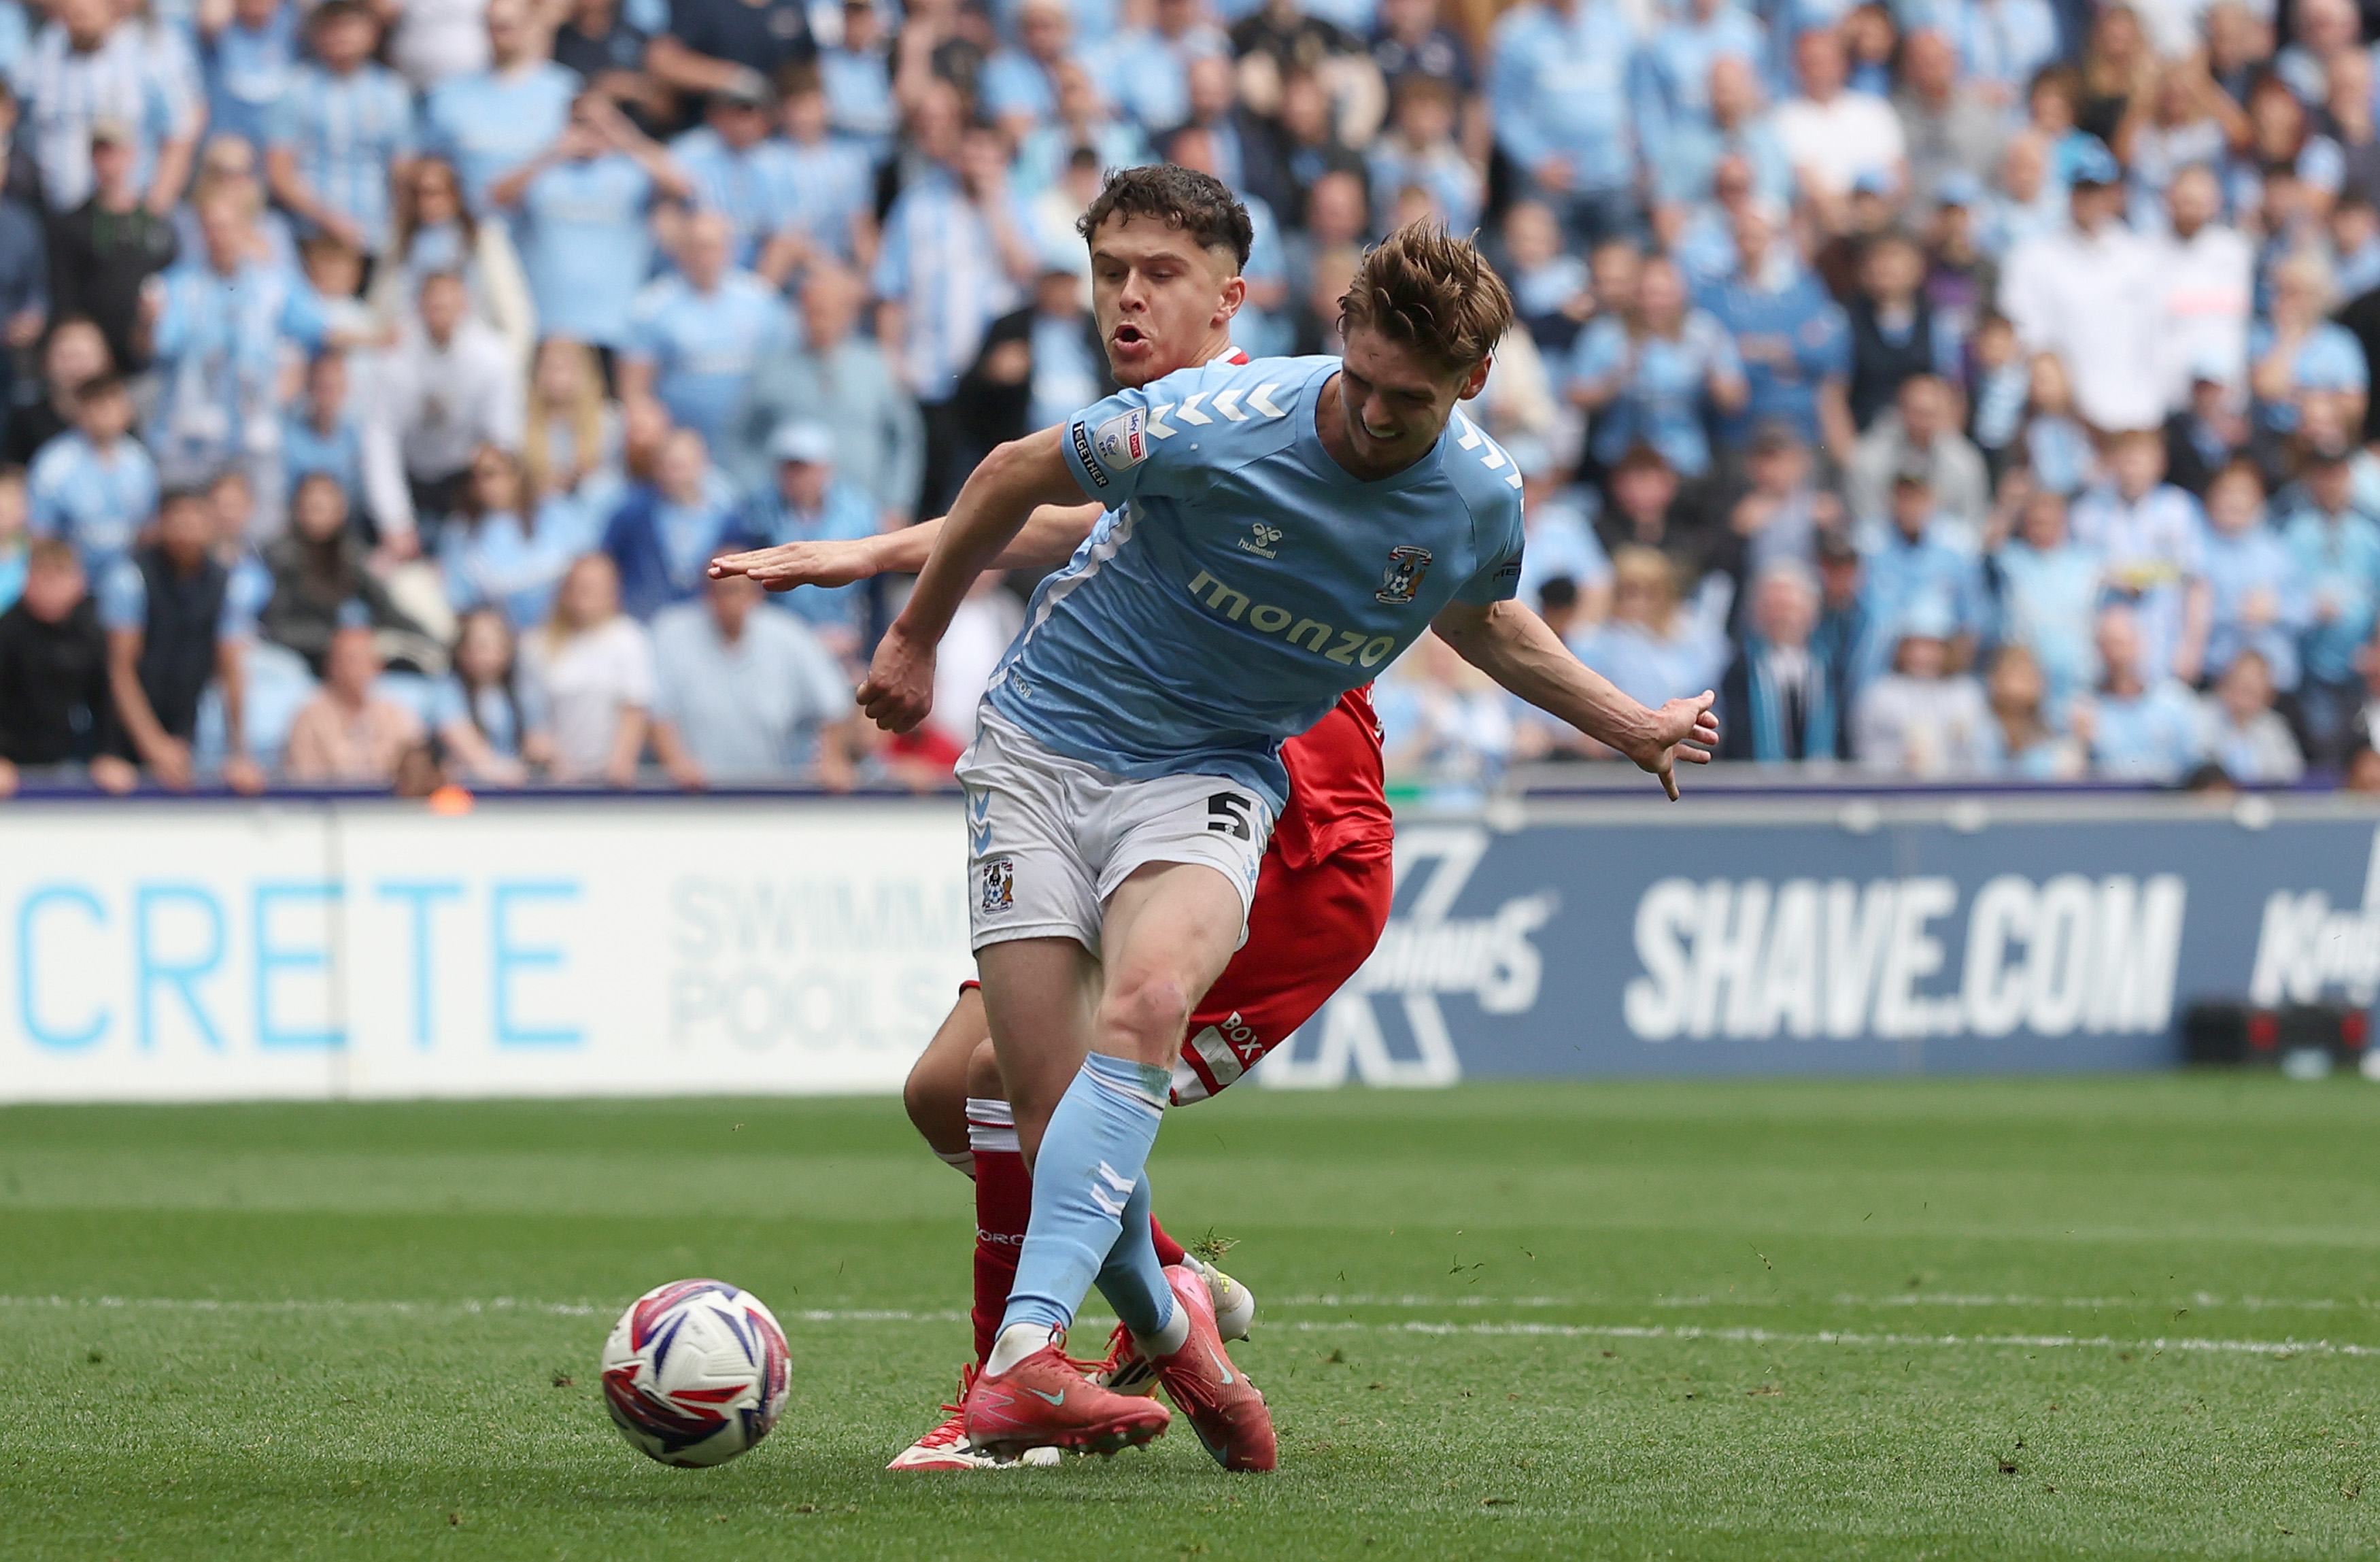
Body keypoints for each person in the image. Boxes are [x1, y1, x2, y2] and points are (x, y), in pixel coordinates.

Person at [851, 217, 1716, 1465]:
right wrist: (913, 637)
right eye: (1358, 378)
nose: (1369, 415)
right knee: (1038, 1110)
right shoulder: (1215, 416)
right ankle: (1174, 1324)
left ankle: (1021, 1360)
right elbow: (1007, 480)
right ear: (1339, 336)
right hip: (1043, 748)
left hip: (1210, 771)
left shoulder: (1480, 494)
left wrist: (1629, 722)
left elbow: (1485, 624)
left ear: (1472, 384)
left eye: (1406, 401)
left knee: (1142, 1007)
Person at [724, 260, 923, 522]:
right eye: (811, 312)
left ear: (849, 315)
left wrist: (897, 503)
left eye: (827, 313)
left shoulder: (877, 368)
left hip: (866, 519)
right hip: (788, 520)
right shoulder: (772, 369)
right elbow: (739, 437)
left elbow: (905, 440)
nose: (819, 322)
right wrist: (755, 497)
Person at [97, 486, 263, 792]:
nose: (186, 530)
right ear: (160, 524)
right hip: (119, 739)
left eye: (195, 519)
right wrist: (153, 744)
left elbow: (231, 670)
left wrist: (240, 753)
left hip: (182, 732)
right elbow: (120, 670)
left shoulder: (225, 583)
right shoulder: (129, 578)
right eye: (177, 519)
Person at [649, 557, 857, 788]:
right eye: (718, 590)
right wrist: (676, 762)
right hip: (695, 796)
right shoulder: (672, 633)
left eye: (734, 590)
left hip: (771, 797)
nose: (727, 601)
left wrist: (832, 758)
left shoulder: (789, 635)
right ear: (705, 595)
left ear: (756, 595)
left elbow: (835, 704)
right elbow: (657, 710)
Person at [362, 270, 524, 551]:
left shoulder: (493, 357)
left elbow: (502, 438)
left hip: (464, 475)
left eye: (449, 304)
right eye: (434, 305)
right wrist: (395, 521)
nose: (441, 314)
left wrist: (492, 500)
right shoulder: (394, 355)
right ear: (418, 307)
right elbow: (380, 438)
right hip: (408, 469)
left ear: (466, 306)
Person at [620, 210, 793, 449]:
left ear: (729, 250)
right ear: (682, 251)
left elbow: (787, 369)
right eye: (696, 247)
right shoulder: (653, 306)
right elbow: (635, 391)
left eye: (712, 247)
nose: (704, 257)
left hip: (750, 442)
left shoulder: (760, 301)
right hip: (678, 448)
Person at [1568, 252, 1747, 481]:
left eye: (1663, 295)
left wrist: (1714, 378)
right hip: (1620, 460)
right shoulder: (1606, 334)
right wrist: (1614, 381)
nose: (1654, 303)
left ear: (1681, 295)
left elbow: (1735, 400)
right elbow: (1575, 396)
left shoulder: (1704, 333)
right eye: (1646, 294)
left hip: (1684, 459)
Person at [263, 0, 417, 258]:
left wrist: (400, 231)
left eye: (350, 26)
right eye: (332, 28)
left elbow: (402, 170)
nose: (341, 36)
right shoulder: (295, 90)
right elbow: (280, 170)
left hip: (376, 235)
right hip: (310, 236)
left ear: (372, 33)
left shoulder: (392, 92)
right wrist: (328, 220)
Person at [0, 537, 139, 796]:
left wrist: (108, 754)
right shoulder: (8, 631)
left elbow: (105, 699)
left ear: (80, 581)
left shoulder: (91, 632)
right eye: (43, 576)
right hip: (11, 759)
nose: (51, 588)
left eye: (61, 576)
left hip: (66, 756)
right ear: (27, 581)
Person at [421, 0, 579, 212]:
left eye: (509, 25)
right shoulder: (448, 95)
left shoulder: (566, 91)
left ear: (531, 25)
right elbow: (427, 167)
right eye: (494, 26)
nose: (501, 35)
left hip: (544, 227)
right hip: (472, 228)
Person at [47, 120, 171, 377]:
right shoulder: (73, 226)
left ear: (132, 155)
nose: (109, 162)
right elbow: (65, 299)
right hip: (95, 366)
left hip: (147, 359)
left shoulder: (154, 224)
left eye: (116, 152)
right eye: (100, 153)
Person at [519, 551, 653, 785]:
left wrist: (620, 764)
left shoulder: (628, 638)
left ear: (611, 592)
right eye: (577, 586)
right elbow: (534, 717)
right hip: (557, 776)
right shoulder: (536, 645)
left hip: (612, 777)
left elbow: (634, 706)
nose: (582, 595)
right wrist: (552, 760)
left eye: (592, 587)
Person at [745, 422, 874, 659]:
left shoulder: (858, 514)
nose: (795, 477)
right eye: (788, 468)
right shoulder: (757, 514)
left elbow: (874, 591)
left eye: (803, 468)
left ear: (825, 469)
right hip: (778, 641)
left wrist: (865, 646)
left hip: (843, 638)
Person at [441, 444, 596, 630]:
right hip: (506, 641)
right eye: (475, 477)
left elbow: (590, 568)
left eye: (491, 474)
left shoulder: (556, 513)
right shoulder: (461, 533)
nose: (483, 484)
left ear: (516, 474)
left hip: (569, 629)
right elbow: (461, 604)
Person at [601, 426, 742, 621]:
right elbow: (608, 562)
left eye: (682, 466)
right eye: (668, 466)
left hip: (707, 622)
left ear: (704, 464)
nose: (675, 475)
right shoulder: (632, 515)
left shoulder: (730, 522)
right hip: (643, 618)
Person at [27, 371, 156, 575]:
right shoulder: (53, 464)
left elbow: (147, 531)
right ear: (79, 411)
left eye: (113, 402)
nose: (106, 412)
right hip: (72, 579)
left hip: (124, 577)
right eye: (97, 404)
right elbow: (40, 534)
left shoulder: (139, 461)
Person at [1718, 558, 1841, 762]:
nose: (1782, 617)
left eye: (1789, 607)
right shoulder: (1740, 669)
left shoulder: (1827, 667)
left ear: (1810, 611)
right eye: (1774, 607)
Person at [1853, 599, 1992, 776]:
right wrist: (1898, 760)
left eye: (1931, 646)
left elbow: (1985, 753)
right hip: (1896, 791)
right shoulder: (1881, 693)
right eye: (1914, 645)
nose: (1921, 655)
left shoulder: (1965, 692)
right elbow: (1864, 748)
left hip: (1955, 789)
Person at [2071, 603, 2205, 781]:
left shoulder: (2175, 702)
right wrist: (2081, 746)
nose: (2117, 655)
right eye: (2108, 645)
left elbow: (2198, 769)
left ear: (2141, 644)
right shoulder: (2085, 707)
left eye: (2123, 644)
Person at [284, 623, 426, 783]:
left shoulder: (396, 714)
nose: (356, 669)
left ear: (377, 666)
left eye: (365, 660)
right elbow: (305, 782)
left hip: (388, 806)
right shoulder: (309, 718)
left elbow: (418, 770)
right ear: (331, 666)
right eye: (349, 660)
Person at [428, 605, 528, 785]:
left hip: (511, 791)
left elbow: (537, 742)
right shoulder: (447, 692)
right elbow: (472, 754)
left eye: (500, 644)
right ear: (461, 649)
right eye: (482, 646)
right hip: (468, 793)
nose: (492, 654)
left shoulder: (516, 690)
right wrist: (508, 772)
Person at [2198, 648, 2304, 784]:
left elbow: (2290, 773)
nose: (2242, 697)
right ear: (2223, 683)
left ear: (2268, 696)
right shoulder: (2201, 715)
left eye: (2251, 690)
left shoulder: (2274, 727)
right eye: (2239, 685)